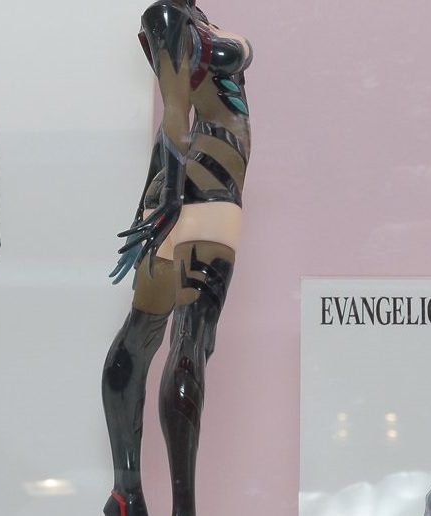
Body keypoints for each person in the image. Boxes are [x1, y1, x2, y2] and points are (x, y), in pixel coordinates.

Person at [102, 0, 252, 514]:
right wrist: (167, 200)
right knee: (191, 337)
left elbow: (175, 115)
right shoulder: (166, 15)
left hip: (177, 188)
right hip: (211, 184)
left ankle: (126, 491)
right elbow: (174, 112)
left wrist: (154, 201)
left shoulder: (186, 17)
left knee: (142, 328)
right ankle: (181, 507)